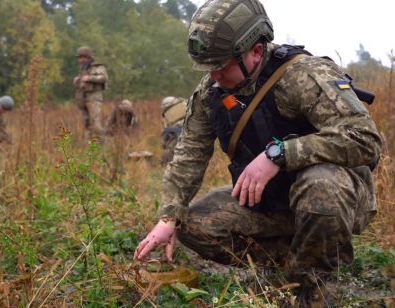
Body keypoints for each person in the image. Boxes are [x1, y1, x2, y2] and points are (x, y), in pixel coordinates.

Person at [134, 0, 381, 306]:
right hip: (274, 202)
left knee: (321, 186)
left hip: (335, 197)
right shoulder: (211, 93)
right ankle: (295, 259)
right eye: (208, 67)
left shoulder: (302, 76)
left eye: (221, 65)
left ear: (255, 51)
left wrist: (280, 154)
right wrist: (169, 216)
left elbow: (365, 139)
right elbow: (189, 155)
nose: (213, 76)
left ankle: (314, 285)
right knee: (194, 224)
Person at [73, 46, 108, 138]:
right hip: (83, 99)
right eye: (79, 58)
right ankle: (90, 147)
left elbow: (103, 78)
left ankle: (105, 146)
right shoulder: (83, 69)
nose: (81, 60)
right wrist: (77, 80)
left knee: (96, 125)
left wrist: (89, 78)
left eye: (83, 57)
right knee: (87, 125)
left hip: (94, 99)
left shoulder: (98, 67)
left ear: (89, 58)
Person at [160, 96, 187, 165]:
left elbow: (165, 137)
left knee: (168, 152)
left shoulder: (167, 118)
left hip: (178, 136)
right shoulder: (185, 104)